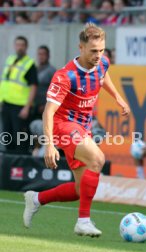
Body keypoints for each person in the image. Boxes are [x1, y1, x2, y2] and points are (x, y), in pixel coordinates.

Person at [23, 23, 130, 237]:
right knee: (98, 159)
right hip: (64, 126)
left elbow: (103, 74)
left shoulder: (101, 62)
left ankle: (36, 199)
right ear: (80, 47)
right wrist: (49, 144)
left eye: (101, 50)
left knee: (80, 190)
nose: (98, 55)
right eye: (93, 51)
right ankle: (83, 221)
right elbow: (48, 113)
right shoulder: (65, 76)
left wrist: (118, 98)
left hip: (83, 127)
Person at [0, 36, 37, 153]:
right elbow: (6, 83)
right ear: (14, 46)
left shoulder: (29, 64)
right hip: (6, 104)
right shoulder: (10, 60)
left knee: (20, 137)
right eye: (18, 45)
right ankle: (9, 164)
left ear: (26, 47)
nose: (19, 47)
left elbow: (34, 86)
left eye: (22, 45)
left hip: (20, 106)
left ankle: (20, 164)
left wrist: (27, 107)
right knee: (7, 136)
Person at [33, 45, 56, 120]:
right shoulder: (35, 69)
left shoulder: (51, 71)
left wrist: (46, 105)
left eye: (43, 54)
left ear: (48, 56)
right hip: (34, 105)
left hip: (43, 107)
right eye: (39, 54)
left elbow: (55, 91)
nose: (41, 56)